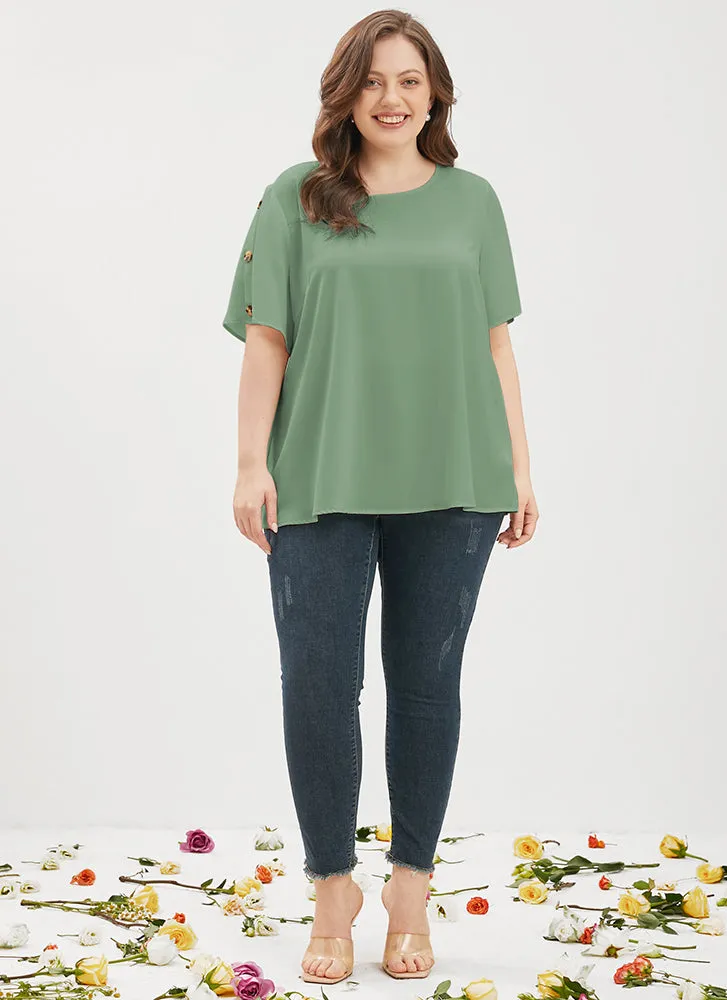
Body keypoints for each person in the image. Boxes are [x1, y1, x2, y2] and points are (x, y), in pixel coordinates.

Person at [221, 8, 539, 986]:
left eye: (409, 79)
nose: (391, 98)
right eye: (372, 80)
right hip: (319, 472)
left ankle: (409, 888)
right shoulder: (297, 197)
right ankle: (332, 888)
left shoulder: (474, 202)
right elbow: (266, 338)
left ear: (434, 92)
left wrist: (521, 467)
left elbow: (495, 343)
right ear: (345, 95)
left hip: (455, 475)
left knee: (427, 684)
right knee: (318, 683)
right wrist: (250, 462)